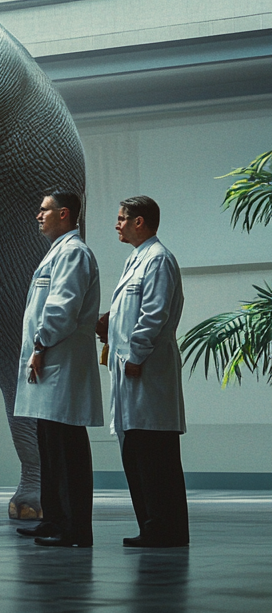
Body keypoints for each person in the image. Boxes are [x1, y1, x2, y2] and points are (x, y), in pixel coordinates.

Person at [14, 191, 102, 548]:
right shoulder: (59, 252)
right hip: (51, 364)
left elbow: (61, 308)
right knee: (50, 449)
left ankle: (74, 528)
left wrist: (40, 345)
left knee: (67, 452)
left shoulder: (73, 253)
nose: (38, 215)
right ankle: (53, 520)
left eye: (44, 210)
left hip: (58, 360)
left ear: (64, 214)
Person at [101, 195, 188, 548]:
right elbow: (130, 313)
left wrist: (135, 355)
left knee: (155, 458)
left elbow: (154, 315)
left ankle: (165, 529)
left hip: (145, 371)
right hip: (130, 375)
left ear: (140, 222)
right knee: (136, 454)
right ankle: (152, 526)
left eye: (122, 218)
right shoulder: (135, 260)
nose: (117, 224)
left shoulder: (158, 260)